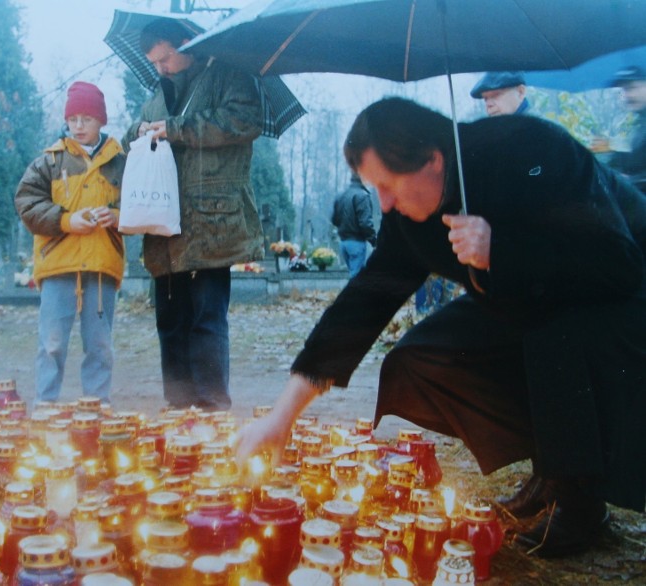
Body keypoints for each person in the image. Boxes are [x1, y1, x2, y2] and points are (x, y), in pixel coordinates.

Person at [235, 97, 646, 558]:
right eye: (375, 190)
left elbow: (620, 263)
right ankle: (553, 467)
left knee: (552, 330)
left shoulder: (533, 149)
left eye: (388, 185)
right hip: (530, 304)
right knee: (425, 357)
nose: (384, 205)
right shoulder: (408, 217)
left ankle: (581, 498)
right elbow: (364, 303)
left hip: (616, 302)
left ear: (433, 160)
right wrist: (282, 415)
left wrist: (503, 251)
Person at [123, 19, 264, 411]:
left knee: (206, 321)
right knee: (170, 322)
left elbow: (243, 121)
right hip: (164, 227)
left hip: (209, 224)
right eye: (154, 63)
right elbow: (130, 137)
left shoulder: (229, 76)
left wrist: (175, 128)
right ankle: (178, 407)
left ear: (187, 44)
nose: (160, 69)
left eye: (165, 58)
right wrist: (139, 130)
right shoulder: (158, 93)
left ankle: (212, 409)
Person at [14, 81, 126, 405]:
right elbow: (26, 203)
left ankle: (97, 413)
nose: (78, 126)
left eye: (86, 119)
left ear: (101, 121)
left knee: (100, 346)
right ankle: (45, 411)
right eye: (73, 118)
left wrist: (118, 217)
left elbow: (140, 207)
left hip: (102, 266)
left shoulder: (120, 162)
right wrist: (66, 221)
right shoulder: (49, 162)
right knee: (51, 344)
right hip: (58, 267)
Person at [593, 65, 646, 193]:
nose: (627, 95)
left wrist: (630, 181)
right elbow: (637, 163)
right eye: (623, 90)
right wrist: (609, 152)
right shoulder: (641, 123)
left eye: (631, 88)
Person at [331, 173, 376, 278]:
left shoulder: (341, 195)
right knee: (357, 278)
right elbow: (365, 223)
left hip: (343, 242)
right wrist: (374, 240)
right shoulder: (362, 196)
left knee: (354, 274)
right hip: (357, 242)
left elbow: (334, 219)